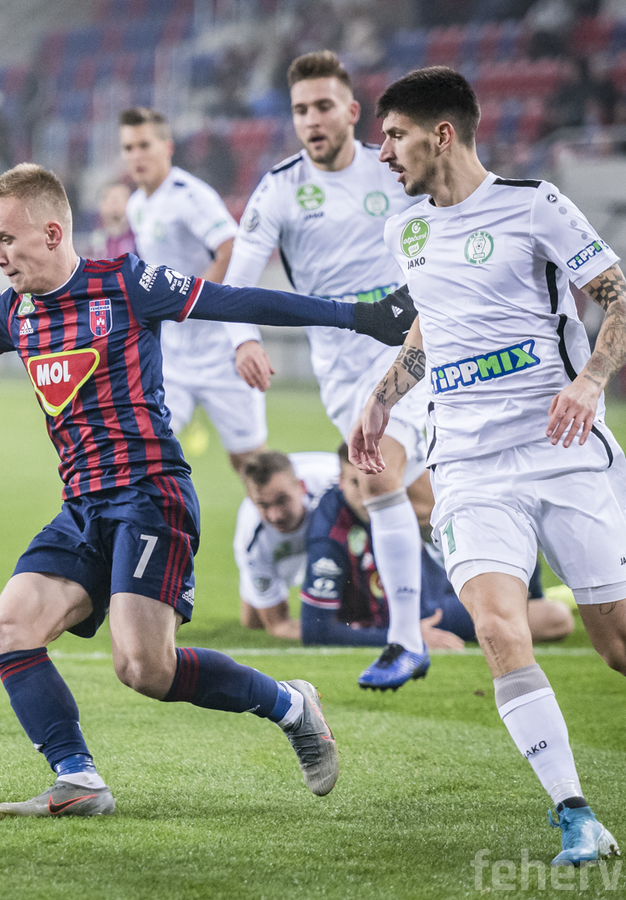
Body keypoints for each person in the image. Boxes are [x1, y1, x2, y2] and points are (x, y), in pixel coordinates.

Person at [0, 163, 418, 817]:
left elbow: (240, 301)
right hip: (83, 506)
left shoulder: (128, 284)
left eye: (5, 239)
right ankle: (76, 778)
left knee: (144, 669)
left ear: (51, 233)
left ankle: (290, 705)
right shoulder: (14, 313)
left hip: (150, 496)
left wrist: (361, 316)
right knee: (10, 628)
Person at [354, 66, 626, 866]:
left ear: (441, 134)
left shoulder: (534, 206)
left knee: (625, 654)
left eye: (393, 136)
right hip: (468, 464)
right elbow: (433, 324)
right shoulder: (404, 232)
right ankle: (575, 814)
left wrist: (590, 381)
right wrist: (381, 398)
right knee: (497, 625)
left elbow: (623, 303)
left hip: (561, 454)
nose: (381, 152)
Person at [221, 52, 434, 691]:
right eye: (300, 110)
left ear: (351, 111)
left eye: (322, 107)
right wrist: (243, 339)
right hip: (340, 370)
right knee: (423, 500)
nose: (311, 120)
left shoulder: (391, 168)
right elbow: (238, 278)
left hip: (415, 346)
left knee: (381, 476)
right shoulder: (280, 188)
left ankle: (407, 640)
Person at [299, 444, 573, 651]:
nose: (365, 493)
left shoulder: (403, 498)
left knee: (505, 520)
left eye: (372, 479)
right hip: (425, 612)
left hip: (438, 587)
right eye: (354, 482)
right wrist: (404, 637)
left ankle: (529, 595)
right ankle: (526, 601)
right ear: (340, 480)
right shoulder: (330, 532)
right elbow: (316, 629)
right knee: (555, 618)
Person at [119, 107, 273, 476]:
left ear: (167, 146)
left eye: (144, 145)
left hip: (220, 351)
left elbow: (230, 248)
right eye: (128, 148)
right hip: (172, 356)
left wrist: (189, 301)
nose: (136, 155)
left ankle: (281, 513)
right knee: (144, 452)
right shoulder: (137, 205)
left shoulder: (190, 197)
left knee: (251, 465)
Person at [230, 449, 341, 639]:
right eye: (263, 505)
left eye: (282, 500)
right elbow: (279, 625)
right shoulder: (251, 541)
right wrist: (331, 633)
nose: (275, 516)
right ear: (251, 499)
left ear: (301, 486)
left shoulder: (335, 491)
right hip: (275, 549)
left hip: (338, 536)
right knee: (253, 621)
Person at [86, 180, 136, 260]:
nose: (114, 204)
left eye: (120, 199)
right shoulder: (91, 239)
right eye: (109, 198)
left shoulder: (139, 237)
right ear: (100, 204)